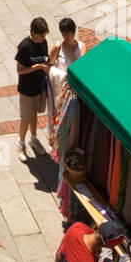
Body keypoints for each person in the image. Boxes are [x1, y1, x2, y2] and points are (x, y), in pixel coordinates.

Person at [15, 17, 58, 158]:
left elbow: (45, 59)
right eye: (40, 36)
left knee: (34, 116)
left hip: (39, 88)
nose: (42, 39)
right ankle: (20, 143)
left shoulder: (43, 43)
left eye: (44, 36)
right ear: (33, 32)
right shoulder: (24, 47)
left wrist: (50, 62)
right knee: (26, 118)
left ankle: (33, 139)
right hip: (26, 89)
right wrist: (37, 67)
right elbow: (20, 70)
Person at [47, 18, 84, 134]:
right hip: (59, 89)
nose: (66, 36)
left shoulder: (82, 46)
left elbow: (80, 67)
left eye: (68, 33)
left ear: (73, 32)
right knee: (56, 114)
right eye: (63, 33)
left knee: (72, 118)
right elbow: (49, 67)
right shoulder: (57, 47)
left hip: (74, 89)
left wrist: (71, 53)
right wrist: (62, 75)